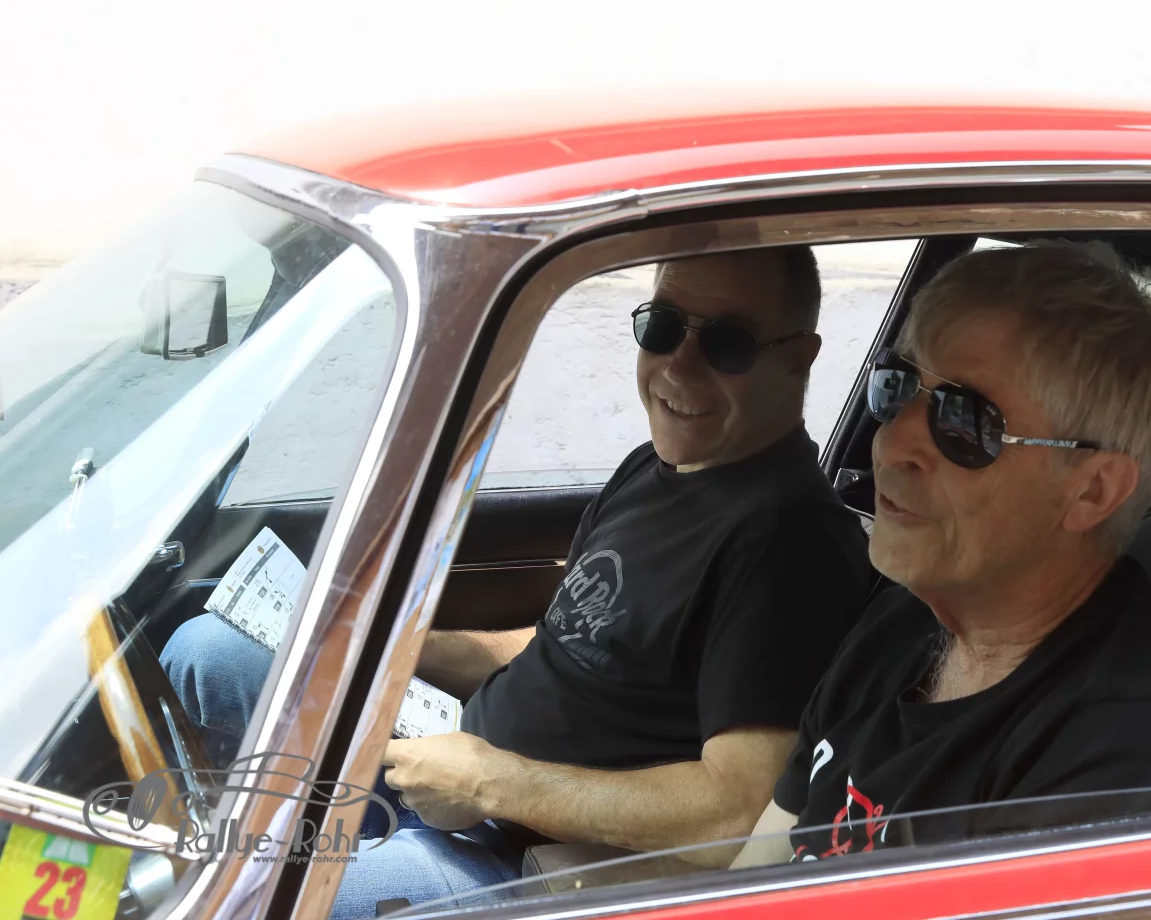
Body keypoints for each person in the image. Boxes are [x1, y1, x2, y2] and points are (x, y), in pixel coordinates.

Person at [161, 246, 874, 915]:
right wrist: (401, 647)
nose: (678, 368)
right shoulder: (655, 467)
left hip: (526, 857)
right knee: (205, 650)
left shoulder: (789, 543)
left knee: (233, 899)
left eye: (728, 343)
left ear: (798, 358)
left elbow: (737, 811)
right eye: (662, 327)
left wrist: (487, 782)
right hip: (451, 763)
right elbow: (565, 640)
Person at [733, 241, 1151, 867]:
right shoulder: (903, 622)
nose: (892, 443)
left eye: (964, 421)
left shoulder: (1134, 761)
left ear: (1092, 490)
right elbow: (761, 866)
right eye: (899, 388)